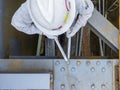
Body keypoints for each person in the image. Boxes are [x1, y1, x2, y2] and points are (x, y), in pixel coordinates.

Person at [11, 0, 94, 39]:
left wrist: (77, 26)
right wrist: (42, 31)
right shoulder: (31, 7)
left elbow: (88, 10)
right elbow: (17, 23)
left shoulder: (77, 1)